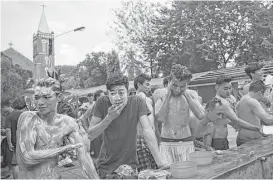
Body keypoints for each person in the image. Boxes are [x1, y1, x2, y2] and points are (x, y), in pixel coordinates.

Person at [16, 77, 99, 179]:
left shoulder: (67, 123)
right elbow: (27, 157)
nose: (40, 102)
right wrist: (63, 149)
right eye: (37, 98)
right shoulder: (29, 118)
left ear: (59, 97)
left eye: (46, 97)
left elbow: (84, 156)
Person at [87, 73, 167, 178]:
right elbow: (90, 135)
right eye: (113, 93)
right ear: (108, 94)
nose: (117, 98)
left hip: (130, 165)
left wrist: (161, 163)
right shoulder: (102, 102)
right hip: (107, 166)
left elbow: (147, 130)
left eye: (121, 93)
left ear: (127, 92)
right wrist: (109, 118)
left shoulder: (137, 102)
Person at [155, 64, 205, 164]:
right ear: (169, 81)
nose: (178, 89)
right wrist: (168, 95)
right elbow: (160, 119)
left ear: (187, 84)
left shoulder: (191, 94)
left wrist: (185, 93)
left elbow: (200, 115)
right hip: (167, 142)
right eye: (175, 85)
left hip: (185, 141)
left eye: (182, 86)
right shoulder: (161, 94)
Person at [210, 75, 263, 150]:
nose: (228, 91)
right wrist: (257, 129)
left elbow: (229, 118)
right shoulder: (220, 103)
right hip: (218, 140)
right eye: (225, 89)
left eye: (230, 88)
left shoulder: (226, 99)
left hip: (222, 138)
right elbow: (236, 120)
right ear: (216, 87)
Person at [236, 80, 273, 146]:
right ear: (260, 92)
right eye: (263, 95)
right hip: (249, 141)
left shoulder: (242, 99)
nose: (262, 98)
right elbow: (267, 120)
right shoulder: (252, 101)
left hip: (242, 138)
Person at [134, 73, 157, 171]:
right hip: (141, 138)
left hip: (151, 137)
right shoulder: (138, 98)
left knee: (155, 170)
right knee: (146, 172)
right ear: (139, 84)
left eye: (149, 84)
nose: (149, 87)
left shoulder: (149, 100)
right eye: (147, 84)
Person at [4, 96, 27, 179]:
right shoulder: (27, 114)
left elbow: (8, 130)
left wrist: (9, 143)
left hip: (16, 143)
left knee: (15, 164)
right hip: (28, 142)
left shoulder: (10, 116)